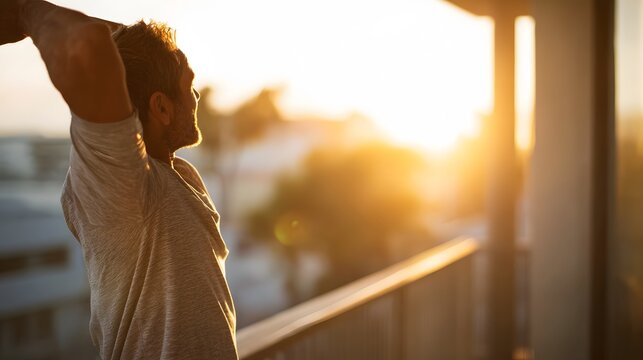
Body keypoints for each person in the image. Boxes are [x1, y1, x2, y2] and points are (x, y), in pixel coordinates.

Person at [0, 1, 238, 358]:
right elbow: (89, 45)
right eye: (189, 85)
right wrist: (20, 12)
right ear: (161, 107)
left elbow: (118, 52)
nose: (197, 95)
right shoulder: (119, 181)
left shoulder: (178, 174)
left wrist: (149, 49)